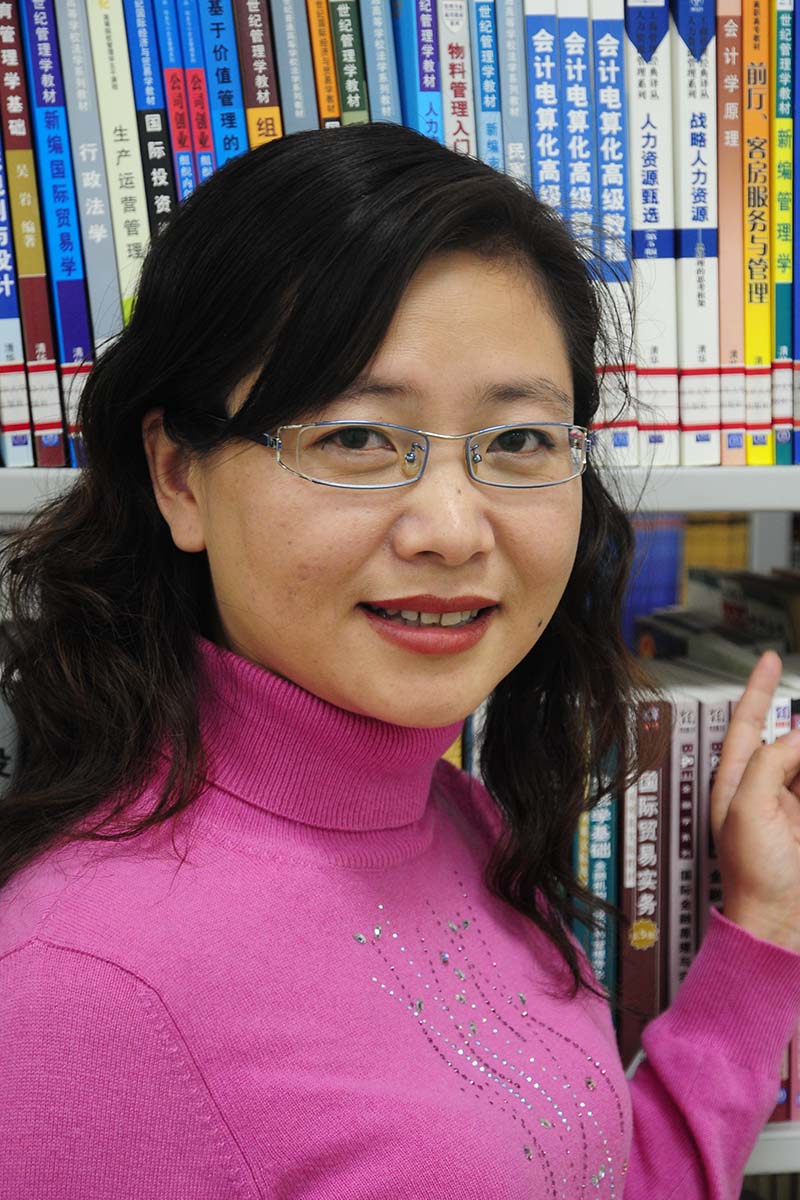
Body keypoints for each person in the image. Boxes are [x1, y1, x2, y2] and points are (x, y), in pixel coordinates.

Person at [1, 122, 799, 1200]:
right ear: (180, 477)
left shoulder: (459, 816)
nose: (452, 531)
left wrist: (764, 926)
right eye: (356, 440)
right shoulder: (77, 990)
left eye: (517, 441)